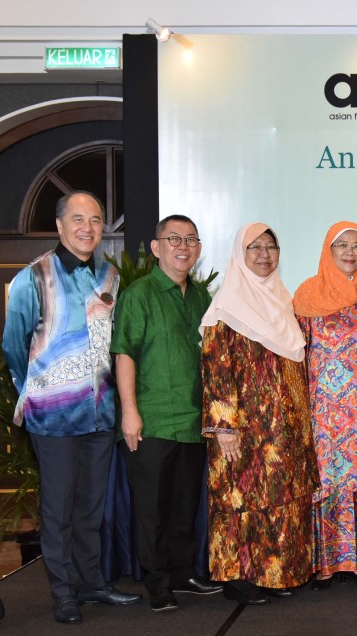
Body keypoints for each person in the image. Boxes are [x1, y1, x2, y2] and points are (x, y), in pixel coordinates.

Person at [2, 191, 141, 624]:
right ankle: (63, 592)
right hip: (53, 415)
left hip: (99, 414)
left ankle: (91, 583)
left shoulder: (110, 276)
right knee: (58, 508)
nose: (88, 227)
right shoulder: (34, 277)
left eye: (96, 220)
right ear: (60, 225)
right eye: (78, 219)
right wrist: (39, 391)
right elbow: (13, 343)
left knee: (90, 506)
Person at [200, 223, 319, 604]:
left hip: (285, 428)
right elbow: (217, 369)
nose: (264, 254)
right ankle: (238, 577)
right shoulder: (226, 308)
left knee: (282, 498)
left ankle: (278, 573)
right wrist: (224, 427)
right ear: (239, 254)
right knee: (242, 498)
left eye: (271, 246)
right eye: (254, 247)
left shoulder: (284, 301)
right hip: (244, 429)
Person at [111, 214, 222, 611]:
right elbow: (124, 353)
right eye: (174, 239)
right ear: (157, 248)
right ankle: (157, 582)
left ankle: (182, 573)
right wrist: (130, 412)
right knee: (152, 509)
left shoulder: (201, 297)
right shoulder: (139, 294)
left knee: (184, 504)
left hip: (193, 422)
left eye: (191, 239)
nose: (183, 246)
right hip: (152, 420)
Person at [295, 221, 357, 590]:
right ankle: (326, 563)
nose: (350, 251)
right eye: (341, 245)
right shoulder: (308, 295)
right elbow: (295, 352)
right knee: (326, 479)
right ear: (327, 252)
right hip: (323, 407)